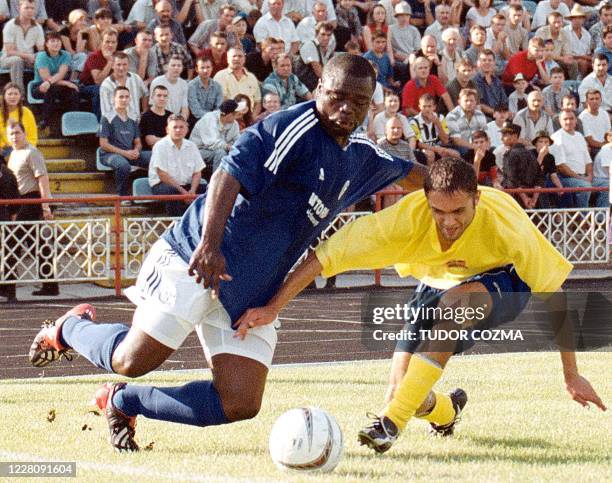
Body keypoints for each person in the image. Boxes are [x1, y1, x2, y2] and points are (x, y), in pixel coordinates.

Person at [27, 54, 426, 452]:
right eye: (337, 96)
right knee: (132, 361)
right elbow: (227, 174)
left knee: (239, 402)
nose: (346, 109)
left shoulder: (362, 155)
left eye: (357, 101)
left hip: (252, 287)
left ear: (371, 101)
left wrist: (473, 199)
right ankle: (69, 328)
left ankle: (121, 401)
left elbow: (415, 175)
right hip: (197, 259)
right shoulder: (289, 127)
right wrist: (209, 245)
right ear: (320, 89)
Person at [235, 157, 607, 456]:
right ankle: (446, 410)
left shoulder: (506, 223)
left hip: (504, 279)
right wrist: (275, 306)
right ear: (425, 201)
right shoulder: (404, 219)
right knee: (404, 392)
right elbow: (326, 256)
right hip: (438, 280)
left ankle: (388, 425)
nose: (448, 222)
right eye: (438, 212)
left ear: (477, 198)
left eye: (459, 211)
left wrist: (571, 375)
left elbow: (554, 294)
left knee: (454, 309)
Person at [6, 119, 59, 297]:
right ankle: (50, 285)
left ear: (25, 133)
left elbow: (42, 179)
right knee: (37, 244)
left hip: (31, 201)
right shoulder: (13, 154)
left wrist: (45, 207)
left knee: (13, 243)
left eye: (17, 133)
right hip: (18, 201)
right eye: (11, 134)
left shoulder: (32, 152)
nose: (14, 137)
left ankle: (8, 287)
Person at [98, 86, 152, 197]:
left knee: (154, 156)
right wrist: (125, 153)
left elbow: (138, 142)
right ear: (113, 99)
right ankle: (121, 196)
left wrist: (136, 150)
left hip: (129, 153)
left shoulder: (133, 118)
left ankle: (152, 192)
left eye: (127, 97)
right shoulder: (107, 117)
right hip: (109, 154)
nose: (124, 100)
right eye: (121, 97)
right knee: (123, 165)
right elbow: (103, 144)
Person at [149, 114, 206, 216]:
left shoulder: (191, 146)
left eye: (181, 127)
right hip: (164, 185)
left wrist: (192, 191)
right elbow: (162, 175)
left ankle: (199, 224)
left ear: (186, 129)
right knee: (173, 193)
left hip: (187, 185)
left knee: (207, 189)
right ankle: (175, 224)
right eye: (174, 127)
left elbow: (197, 172)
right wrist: (184, 193)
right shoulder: (160, 146)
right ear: (167, 130)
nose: (178, 130)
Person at [551, 109, 593, 208]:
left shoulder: (579, 136)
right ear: (560, 121)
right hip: (565, 178)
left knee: (607, 185)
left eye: (571, 118)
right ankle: (583, 219)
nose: (568, 122)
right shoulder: (556, 137)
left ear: (576, 120)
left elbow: (588, 161)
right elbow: (561, 167)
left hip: (583, 177)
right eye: (565, 119)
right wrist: (582, 179)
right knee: (585, 187)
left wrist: (590, 176)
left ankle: (600, 219)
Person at [0, 0, 45, 91]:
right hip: (8, 58)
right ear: (19, 8)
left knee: (43, 59)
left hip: (29, 58)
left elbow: (41, 48)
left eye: (32, 8)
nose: (30, 11)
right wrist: (28, 56)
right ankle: (20, 94)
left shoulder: (37, 27)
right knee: (17, 60)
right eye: (26, 8)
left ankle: (40, 91)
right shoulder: (10, 25)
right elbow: (9, 51)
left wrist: (39, 57)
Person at [189, 98, 241, 172]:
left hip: (215, 150)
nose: (237, 116)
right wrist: (229, 147)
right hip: (198, 150)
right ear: (229, 115)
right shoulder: (209, 118)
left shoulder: (234, 123)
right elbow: (212, 142)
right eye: (236, 114)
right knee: (221, 152)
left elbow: (237, 138)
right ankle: (216, 182)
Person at [79, 28, 119, 120]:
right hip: (86, 87)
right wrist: (110, 62)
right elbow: (98, 81)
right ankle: (101, 122)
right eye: (107, 42)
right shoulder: (94, 56)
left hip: (108, 87)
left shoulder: (118, 56)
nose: (110, 45)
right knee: (101, 89)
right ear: (101, 42)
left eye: (113, 42)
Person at [100, 52, 148, 122]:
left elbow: (145, 93)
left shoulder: (136, 78)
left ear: (128, 65)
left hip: (136, 123)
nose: (121, 68)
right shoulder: (106, 85)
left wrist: (144, 111)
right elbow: (106, 113)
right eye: (118, 65)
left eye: (124, 64)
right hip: (116, 125)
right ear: (112, 66)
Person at [214, 47, 262, 116]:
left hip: (248, 117)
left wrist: (252, 118)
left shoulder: (252, 77)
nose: (237, 59)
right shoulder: (220, 76)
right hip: (228, 116)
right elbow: (221, 102)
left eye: (240, 56)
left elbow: (258, 102)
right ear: (227, 59)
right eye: (234, 56)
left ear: (244, 59)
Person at [0, 157, 20, 303]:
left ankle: (9, 290)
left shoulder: (7, 173)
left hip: (4, 215)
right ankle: (9, 291)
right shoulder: (8, 172)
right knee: (9, 254)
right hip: (6, 216)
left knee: (9, 254)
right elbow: (16, 199)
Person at [445, 88, 488, 153]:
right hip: (459, 147)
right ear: (459, 101)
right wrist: (474, 147)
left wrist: (486, 147)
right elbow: (456, 140)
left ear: (475, 102)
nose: (469, 103)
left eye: (471, 100)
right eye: (466, 100)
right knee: (466, 151)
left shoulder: (480, 114)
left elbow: (485, 135)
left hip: (477, 145)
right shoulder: (452, 116)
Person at [0, 83, 37, 157]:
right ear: (4, 96)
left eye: (16, 94)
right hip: (4, 149)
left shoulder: (26, 112)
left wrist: (25, 148)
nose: (13, 97)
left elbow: (33, 136)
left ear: (20, 96)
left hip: (23, 148)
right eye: (10, 94)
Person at [187, 56, 224, 124]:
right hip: (196, 121)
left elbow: (219, 107)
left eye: (208, 67)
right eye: (202, 68)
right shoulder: (191, 86)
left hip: (214, 120)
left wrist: (214, 118)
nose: (205, 70)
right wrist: (212, 117)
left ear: (212, 68)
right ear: (196, 69)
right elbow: (196, 111)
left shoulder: (217, 86)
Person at [140, 84, 172, 149]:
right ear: (152, 97)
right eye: (159, 95)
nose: (162, 98)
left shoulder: (171, 116)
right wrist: (171, 139)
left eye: (165, 96)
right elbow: (150, 141)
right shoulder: (147, 116)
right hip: (151, 152)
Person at [592, 130, 611, 207]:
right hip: (600, 180)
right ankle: (601, 217)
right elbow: (609, 169)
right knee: (608, 185)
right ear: (609, 138)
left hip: (607, 179)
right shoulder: (606, 149)